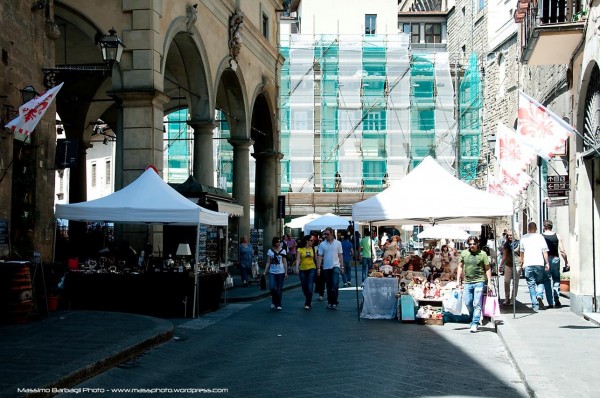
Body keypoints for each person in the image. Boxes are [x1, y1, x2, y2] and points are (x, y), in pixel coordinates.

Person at [456, 236, 491, 333]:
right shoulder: (464, 253)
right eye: (470, 244)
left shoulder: (482, 254)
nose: (472, 246)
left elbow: (487, 268)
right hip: (467, 282)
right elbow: (460, 266)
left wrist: (489, 282)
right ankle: (473, 318)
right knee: (468, 302)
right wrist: (458, 281)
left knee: (477, 303)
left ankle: (475, 323)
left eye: (474, 244)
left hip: (479, 281)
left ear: (477, 244)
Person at [520, 221, 551, 312]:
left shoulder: (524, 238)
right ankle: (539, 295)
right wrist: (547, 263)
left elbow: (522, 252)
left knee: (531, 285)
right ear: (536, 228)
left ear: (528, 228)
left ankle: (535, 304)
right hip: (539, 263)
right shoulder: (540, 237)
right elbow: (544, 251)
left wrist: (522, 262)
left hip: (528, 264)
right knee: (540, 282)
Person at [542, 220, 569, 307]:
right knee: (556, 278)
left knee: (547, 280)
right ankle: (556, 297)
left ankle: (550, 302)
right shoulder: (557, 236)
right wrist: (566, 262)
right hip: (555, 258)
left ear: (544, 227)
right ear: (551, 227)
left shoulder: (541, 236)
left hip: (545, 260)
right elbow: (562, 250)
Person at [316, 227, 344, 310]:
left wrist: (342, 266)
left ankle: (334, 301)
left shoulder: (338, 243)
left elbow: (340, 255)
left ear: (332, 234)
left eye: (327, 234)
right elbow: (320, 256)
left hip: (336, 266)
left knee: (335, 284)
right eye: (325, 234)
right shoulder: (322, 244)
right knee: (328, 285)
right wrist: (318, 268)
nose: (326, 236)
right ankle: (330, 302)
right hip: (326, 267)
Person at [263, 237, 288, 310]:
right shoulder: (270, 251)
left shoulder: (283, 251)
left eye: (279, 242)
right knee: (272, 287)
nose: (278, 243)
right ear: (274, 243)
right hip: (272, 271)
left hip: (281, 271)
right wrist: (265, 272)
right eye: (277, 242)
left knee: (279, 289)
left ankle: (278, 304)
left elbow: (284, 262)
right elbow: (268, 262)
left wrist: (286, 272)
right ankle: (274, 300)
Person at [296, 235, 317, 309]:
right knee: (304, 286)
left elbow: (316, 259)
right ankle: (308, 298)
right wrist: (296, 268)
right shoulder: (300, 249)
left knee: (310, 286)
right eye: (311, 240)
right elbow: (298, 259)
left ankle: (308, 303)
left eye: (312, 240)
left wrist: (318, 268)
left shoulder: (314, 249)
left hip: (312, 268)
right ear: (307, 241)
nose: (312, 242)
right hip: (303, 269)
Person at [499, 231, 520, 305]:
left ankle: (513, 299)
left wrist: (523, 263)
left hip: (517, 264)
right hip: (508, 264)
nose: (510, 237)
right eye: (508, 235)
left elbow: (522, 254)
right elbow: (504, 256)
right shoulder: (506, 244)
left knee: (515, 282)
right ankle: (507, 298)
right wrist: (501, 265)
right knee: (506, 282)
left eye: (511, 235)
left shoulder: (519, 243)